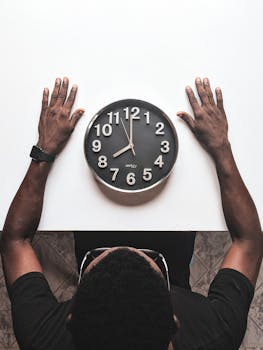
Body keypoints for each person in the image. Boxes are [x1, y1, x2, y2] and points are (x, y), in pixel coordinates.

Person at [0, 77, 262, 350]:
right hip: (173, 247)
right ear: (175, 322)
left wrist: (43, 150)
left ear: (70, 319)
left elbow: (15, 240)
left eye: (102, 260)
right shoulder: (213, 335)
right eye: (143, 261)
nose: (126, 246)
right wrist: (221, 148)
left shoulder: (46, 338)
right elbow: (248, 241)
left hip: (96, 223)